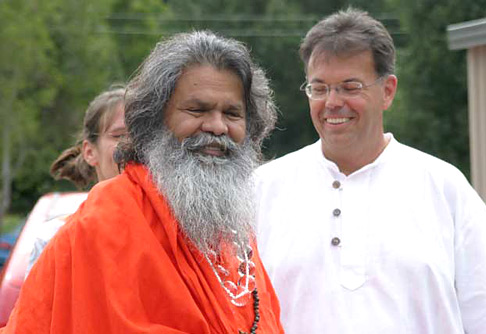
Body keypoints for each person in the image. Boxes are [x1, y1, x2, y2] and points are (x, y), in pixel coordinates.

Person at [1, 31, 283, 333]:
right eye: (197, 110)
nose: (217, 126)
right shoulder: (102, 224)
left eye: (232, 113)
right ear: (156, 119)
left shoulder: (234, 232)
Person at [255, 7, 486, 334]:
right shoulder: (263, 189)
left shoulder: (445, 188)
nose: (332, 102)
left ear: (387, 91)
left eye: (350, 86)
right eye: (319, 87)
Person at [25, 87, 126, 275]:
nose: (133, 146)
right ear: (89, 152)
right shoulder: (55, 237)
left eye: (143, 136)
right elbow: (36, 304)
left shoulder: (176, 234)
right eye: (120, 135)